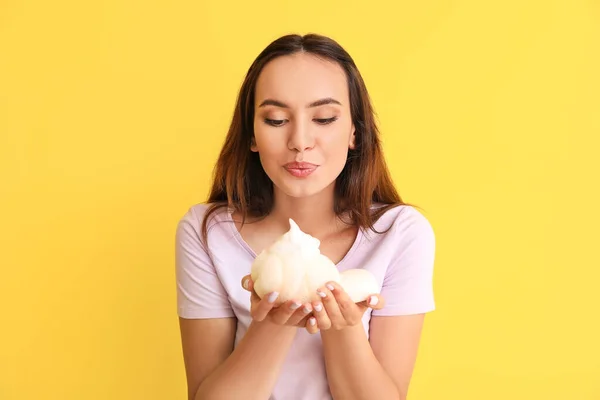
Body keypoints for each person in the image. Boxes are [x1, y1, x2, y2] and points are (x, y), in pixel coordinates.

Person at [175, 33, 436, 400]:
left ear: (355, 134)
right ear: (252, 134)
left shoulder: (400, 234)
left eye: (324, 118)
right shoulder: (206, 232)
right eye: (277, 119)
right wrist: (273, 323)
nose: (300, 140)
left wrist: (343, 328)